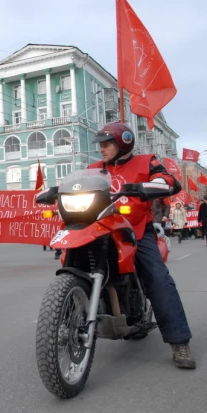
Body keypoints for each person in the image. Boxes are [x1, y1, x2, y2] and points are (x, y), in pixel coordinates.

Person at [90, 121, 194, 369]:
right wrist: (54, 190)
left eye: (106, 144)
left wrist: (149, 185)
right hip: (100, 228)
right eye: (100, 145)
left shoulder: (146, 161)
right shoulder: (94, 168)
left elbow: (168, 181)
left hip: (136, 229)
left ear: (123, 142)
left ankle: (179, 341)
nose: (101, 149)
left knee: (158, 278)